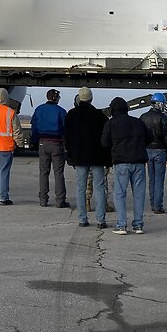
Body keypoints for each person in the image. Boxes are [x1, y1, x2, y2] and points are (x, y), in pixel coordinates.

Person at [101, 96, 151, 234]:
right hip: (139, 162)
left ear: (113, 110)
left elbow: (104, 143)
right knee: (139, 194)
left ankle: (122, 225)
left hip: (121, 162)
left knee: (120, 194)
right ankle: (138, 225)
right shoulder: (138, 122)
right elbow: (149, 138)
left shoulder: (111, 124)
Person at [64, 85, 110, 228]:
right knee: (99, 187)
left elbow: (67, 138)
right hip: (97, 156)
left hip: (79, 157)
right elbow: (106, 138)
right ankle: (101, 220)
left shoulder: (71, 115)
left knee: (80, 187)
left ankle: (82, 219)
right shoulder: (100, 115)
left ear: (79, 98)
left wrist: (70, 154)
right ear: (91, 99)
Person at [32, 88, 69, 208]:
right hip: (56, 144)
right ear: (56, 98)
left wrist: (34, 141)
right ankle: (60, 200)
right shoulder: (61, 111)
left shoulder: (39, 109)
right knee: (58, 173)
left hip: (43, 143)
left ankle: (43, 200)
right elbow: (66, 130)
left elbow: (34, 126)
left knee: (43, 172)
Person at [140, 92, 167, 215]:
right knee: (159, 179)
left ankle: (152, 203)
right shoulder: (163, 119)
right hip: (160, 151)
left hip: (147, 150)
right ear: (160, 104)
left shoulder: (143, 117)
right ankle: (158, 206)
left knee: (151, 179)